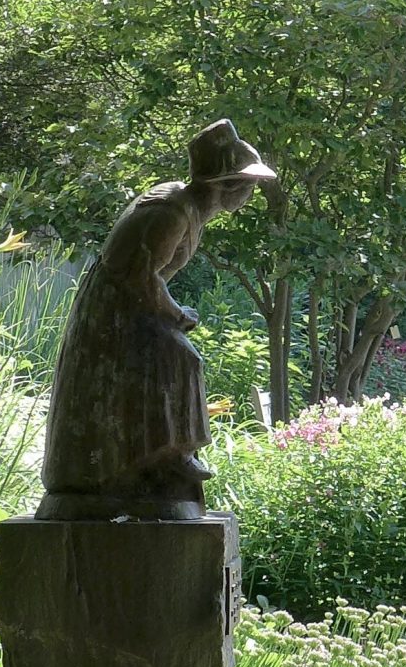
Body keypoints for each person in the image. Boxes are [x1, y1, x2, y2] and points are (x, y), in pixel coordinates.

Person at [38, 120, 275, 519]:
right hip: (115, 313)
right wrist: (177, 315)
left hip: (133, 307)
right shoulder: (172, 211)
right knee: (183, 360)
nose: (251, 193)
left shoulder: (189, 210)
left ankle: (160, 460)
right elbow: (141, 276)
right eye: (247, 185)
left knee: (174, 361)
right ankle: (171, 455)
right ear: (226, 184)